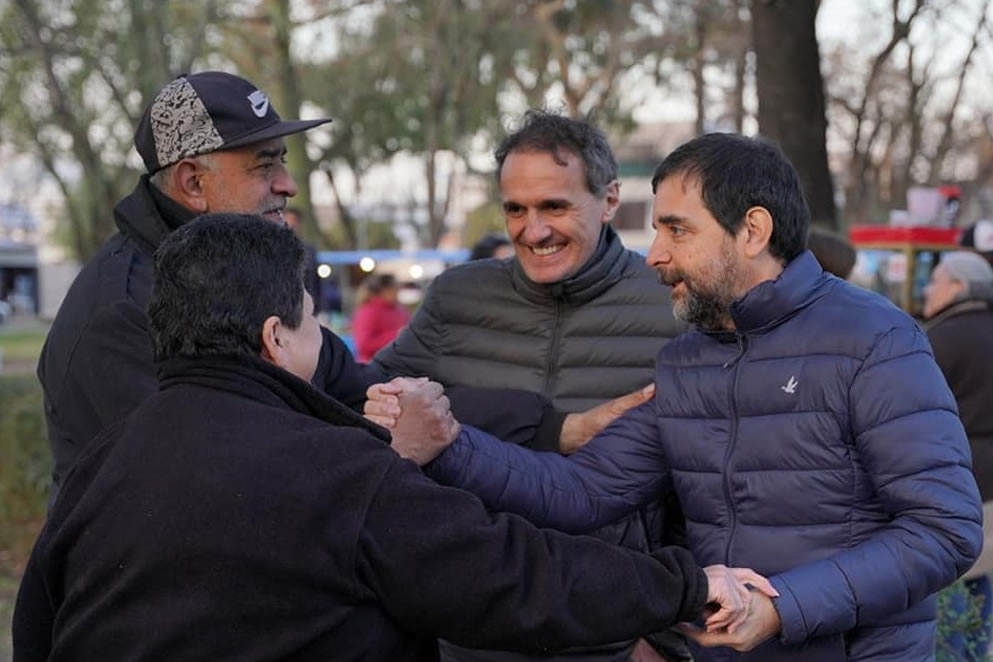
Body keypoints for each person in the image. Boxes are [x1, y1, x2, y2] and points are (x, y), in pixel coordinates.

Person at [12, 214, 765, 662]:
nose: (321, 334)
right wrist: (682, 584)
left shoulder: (102, 462)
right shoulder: (336, 469)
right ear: (275, 337)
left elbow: (38, 625)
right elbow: (512, 577)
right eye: (312, 317)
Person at [385, 133, 984, 661]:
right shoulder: (687, 360)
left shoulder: (874, 339)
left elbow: (944, 528)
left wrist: (784, 607)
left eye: (677, 229)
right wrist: (449, 444)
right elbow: (582, 490)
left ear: (752, 231)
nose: (655, 255)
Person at [35, 71, 581, 505]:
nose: (289, 185)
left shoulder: (244, 274)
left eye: (283, 161)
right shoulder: (121, 316)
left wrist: (553, 426)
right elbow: (206, 494)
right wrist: (390, 456)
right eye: (264, 166)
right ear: (194, 183)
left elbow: (363, 390)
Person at [370, 109, 687, 662]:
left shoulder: (674, 304)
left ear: (610, 199)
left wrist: (667, 633)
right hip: (470, 631)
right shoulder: (456, 298)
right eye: (515, 209)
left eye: (554, 207)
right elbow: (374, 412)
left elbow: (716, 483)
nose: (532, 230)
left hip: (616, 630)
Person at [922, 251, 993, 661]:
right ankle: (978, 652)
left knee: (947, 582)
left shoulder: (938, 338)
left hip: (950, 474)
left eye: (936, 281)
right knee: (981, 576)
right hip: (990, 479)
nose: (927, 290)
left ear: (959, 287)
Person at [353, 273, 410, 362]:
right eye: (393, 289)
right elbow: (364, 345)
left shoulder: (400, 310)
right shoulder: (368, 311)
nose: (396, 292)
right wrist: (397, 335)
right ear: (383, 291)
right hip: (374, 365)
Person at [282, 205, 321, 302]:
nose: (291, 225)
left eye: (294, 221)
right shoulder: (274, 249)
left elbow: (316, 283)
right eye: (288, 222)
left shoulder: (310, 251)